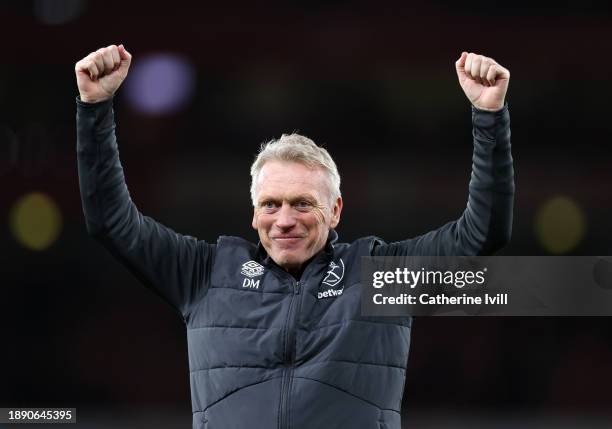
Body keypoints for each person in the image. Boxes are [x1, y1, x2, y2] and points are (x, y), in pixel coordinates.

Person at [75, 44, 513, 429]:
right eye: (271, 204)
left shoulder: (380, 277)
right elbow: (111, 222)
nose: (285, 219)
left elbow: (482, 232)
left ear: (335, 210)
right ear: (254, 214)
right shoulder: (204, 274)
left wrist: (488, 116)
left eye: (303, 203)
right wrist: (95, 108)